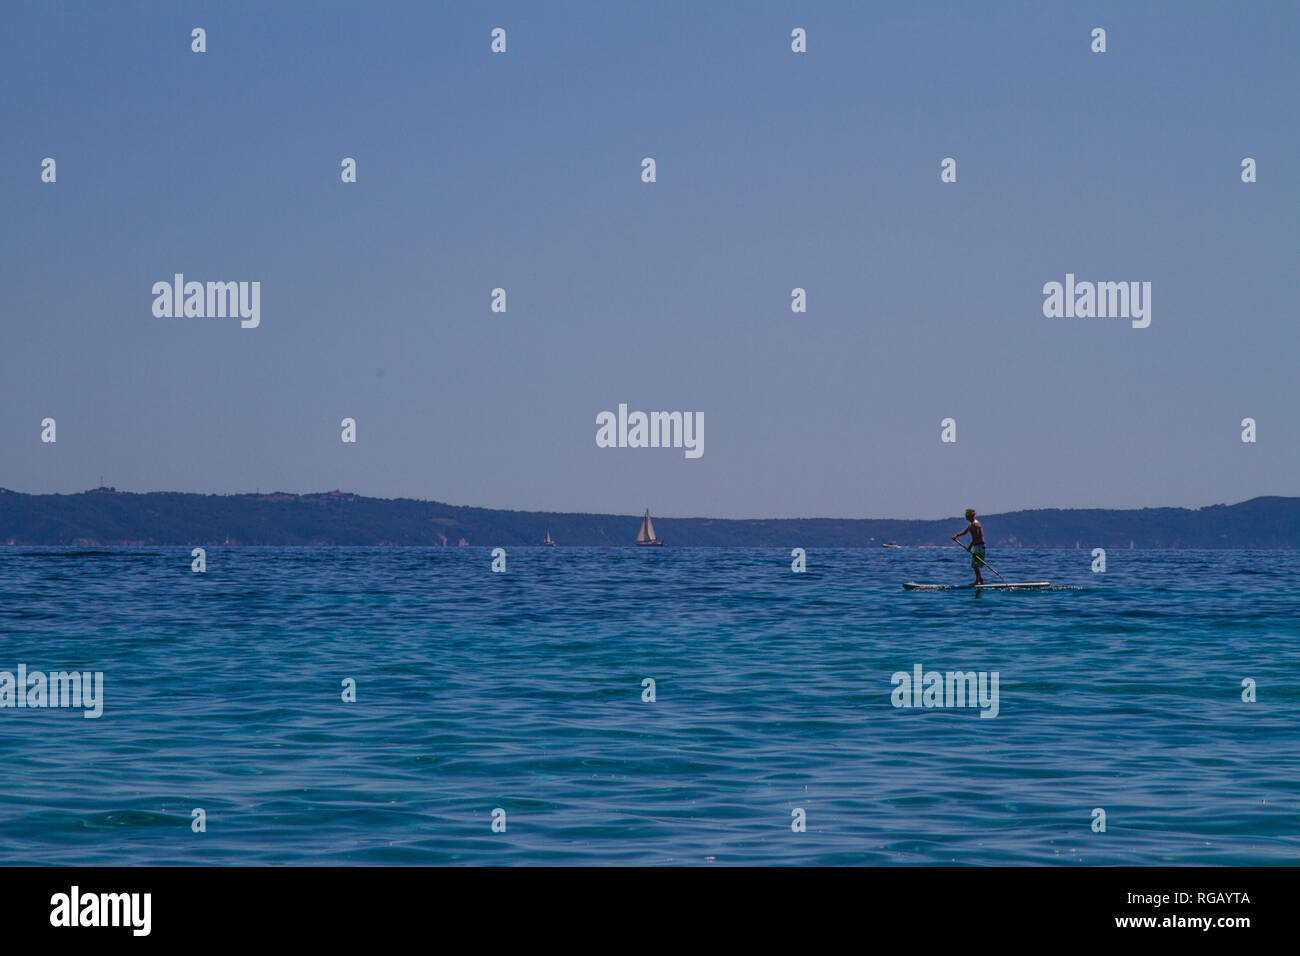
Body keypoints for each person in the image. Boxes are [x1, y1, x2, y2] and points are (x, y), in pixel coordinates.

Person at [952, 508, 985, 585]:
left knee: (976, 565)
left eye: (966, 515)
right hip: (976, 546)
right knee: (974, 565)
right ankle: (980, 580)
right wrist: (956, 535)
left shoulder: (976, 524)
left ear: (970, 516)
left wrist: (970, 547)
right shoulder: (971, 524)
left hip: (979, 545)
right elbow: (965, 532)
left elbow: (976, 537)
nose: (965, 517)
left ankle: (979, 581)